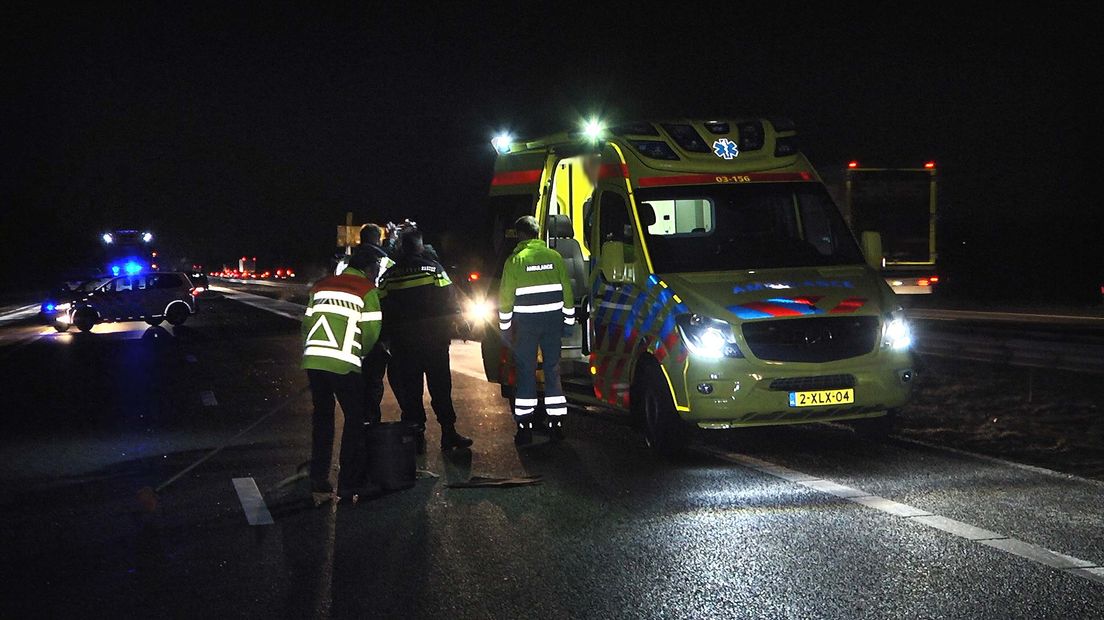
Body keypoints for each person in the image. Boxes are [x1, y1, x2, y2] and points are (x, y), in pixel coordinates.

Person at [379, 229, 473, 453]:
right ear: (420, 246)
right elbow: (451, 300)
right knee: (441, 387)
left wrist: (385, 338)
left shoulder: (389, 276)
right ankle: (448, 433)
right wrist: (460, 324)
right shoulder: (434, 270)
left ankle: (415, 434)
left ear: (402, 247)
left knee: (411, 389)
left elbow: (382, 309)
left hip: (404, 345)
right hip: (435, 342)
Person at [301, 249, 383, 506]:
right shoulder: (367, 290)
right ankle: (348, 484)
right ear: (370, 269)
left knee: (323, 419)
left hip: (314, 361)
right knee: (354, 419)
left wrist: (314, 355)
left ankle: (318, 476)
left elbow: (306, 324)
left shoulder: (320, 285)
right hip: (345, 365)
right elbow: (371, 333)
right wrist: (360, 354)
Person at [498, 215, 574, 446]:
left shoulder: (515, 261)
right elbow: (567, 293)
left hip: (526, 326)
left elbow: (505, 300)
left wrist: (505, 330)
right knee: (552, 371)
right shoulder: (555, 257)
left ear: (520, 234)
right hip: (552, 323)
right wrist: (568, 323)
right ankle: (557, 425)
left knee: (526, 373)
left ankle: (524, 429)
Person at [356, 224, 397, 426]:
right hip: (377, 326)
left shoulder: (348, 260)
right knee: (373, 380)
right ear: (377, 239)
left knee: (357, 381)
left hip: (351, 329)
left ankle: (358, 422)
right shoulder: (384, 259)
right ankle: (371, 423)